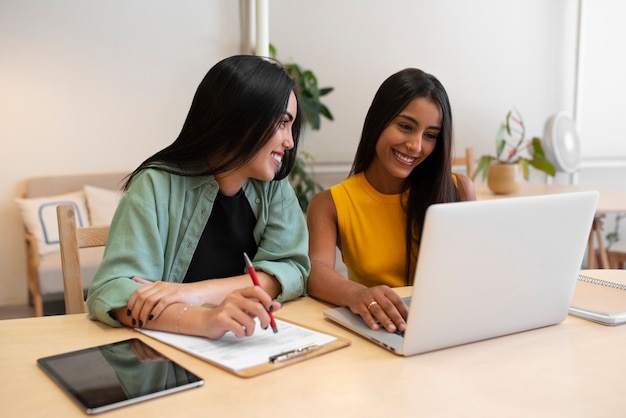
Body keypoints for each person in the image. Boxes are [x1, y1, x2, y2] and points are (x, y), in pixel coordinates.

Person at [87, 55, 310, 340]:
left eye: (291, 127)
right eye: (281, 123)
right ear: (240, 117)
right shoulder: (155, 185)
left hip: (247, 344)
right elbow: (113, 291)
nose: (290, 142)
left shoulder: (274, 186)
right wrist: (203, 318)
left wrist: (194, 293)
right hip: (163, 357)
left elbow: (291, 268)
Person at [306, 68, 476, 335]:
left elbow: (472, 273)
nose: (416, 146)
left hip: (450, 328)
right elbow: (317, 273)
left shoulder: (459, 190)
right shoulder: (329, 204)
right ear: (379, 121)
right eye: (406, 127)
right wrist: (357, 295)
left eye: (430, 135)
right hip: (380, 331)